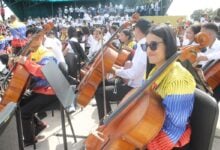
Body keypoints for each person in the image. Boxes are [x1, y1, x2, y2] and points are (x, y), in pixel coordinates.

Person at [144, 25, 196, 149]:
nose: (148, 51)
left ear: (168, 45)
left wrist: (139, 144)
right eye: (145, 46)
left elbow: (172, 131)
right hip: (152, 130)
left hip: (169, 143)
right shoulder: (156, 70)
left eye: (153, 45)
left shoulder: (178, 80)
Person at [95, 19, 151, 124]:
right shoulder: (143, 44)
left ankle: (105, 123)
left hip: (134, 88)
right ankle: (110, 118)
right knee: (101, 83)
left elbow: (133, 74)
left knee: (100, 93)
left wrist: (115, 71)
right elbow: (132, 70)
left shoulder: (142, 46)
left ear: (138, 30)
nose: (133, 32)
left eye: (134, 29)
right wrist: (117, 69)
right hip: (132, 82)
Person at [17, 28, 59, 146]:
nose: (30, 40)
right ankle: (39, 125)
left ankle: (30, 140)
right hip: (39, 90)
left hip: (50, 92)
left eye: (33, 37)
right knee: (18, 104)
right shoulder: (33, 53)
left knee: (24, 111)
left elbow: (44, 72)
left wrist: (25, 62)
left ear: (40, 38)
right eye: (28, 37)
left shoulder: (47, 53)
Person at [196, 23, 220, 101]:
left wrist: (207, 57)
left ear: (209, 34)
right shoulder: (205, 47)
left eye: (201, 33)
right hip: (205, 81)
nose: (199, 36)